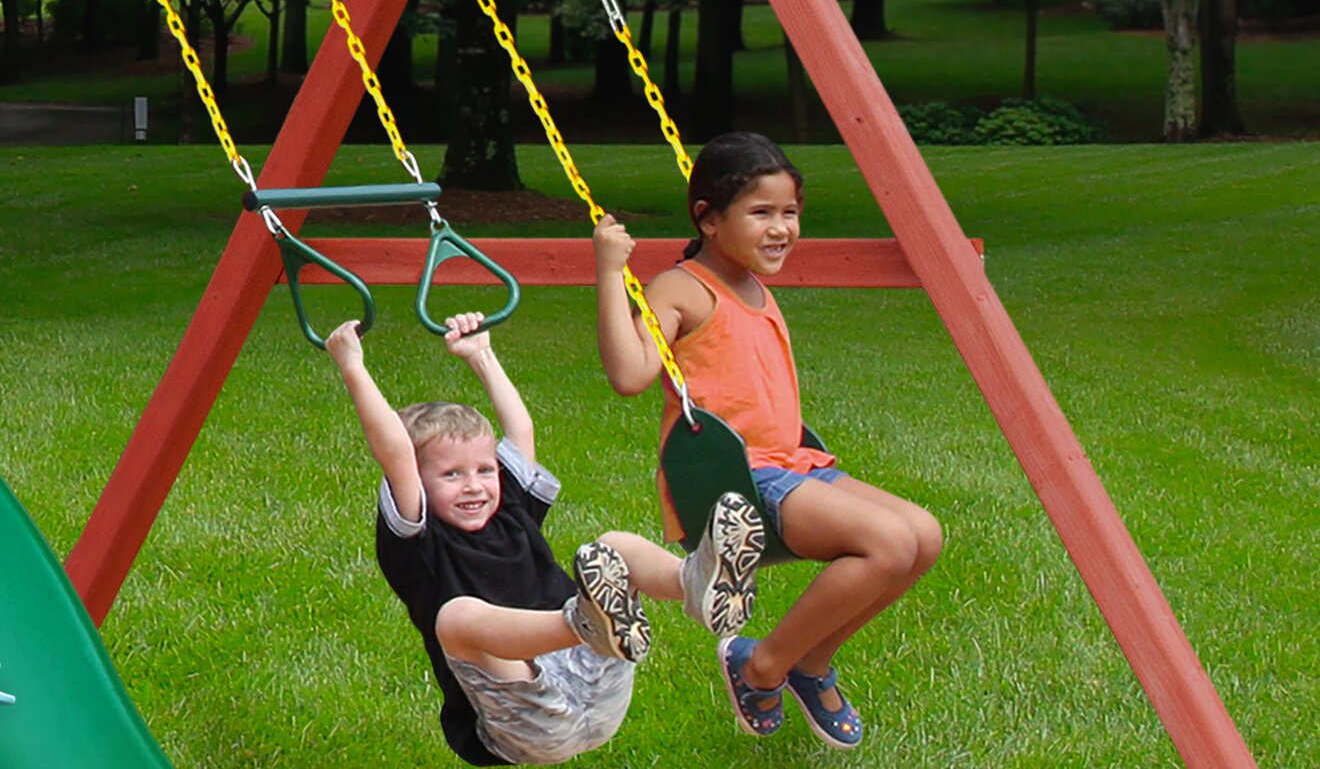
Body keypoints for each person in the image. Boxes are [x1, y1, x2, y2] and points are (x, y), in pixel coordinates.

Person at [593, 132, 942, 751]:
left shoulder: (753, 282)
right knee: (886, 544)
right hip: (735, 480)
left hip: (791, 463)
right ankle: (760, 666)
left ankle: (808, 664)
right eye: (762, 213)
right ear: (708, 217)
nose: (782, 228)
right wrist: (609, 272)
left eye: (790, 212)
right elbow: (629, 376)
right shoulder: (683, 288)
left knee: (923, 537)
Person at [324, 311, 764, 766]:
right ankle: (583, 622)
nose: (474, 485)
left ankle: (696, 584)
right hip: (525, 720)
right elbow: (395, 450)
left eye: (484, 469)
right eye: (451, 474)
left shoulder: (511, 508)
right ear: (414, 482)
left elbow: (521, 432)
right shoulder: (418, 545)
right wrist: (352, 366)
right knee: (455, 617)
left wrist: (483, 355)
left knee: (613, 544)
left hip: (599, 680)